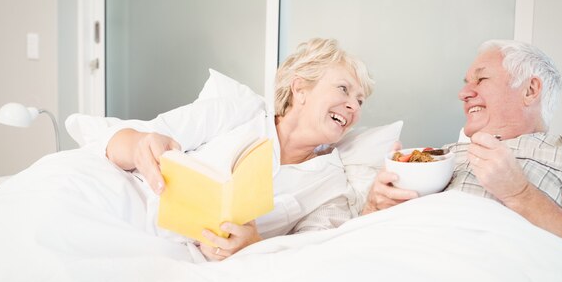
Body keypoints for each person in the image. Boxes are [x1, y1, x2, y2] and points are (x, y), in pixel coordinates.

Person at [105, 38, 374, 261]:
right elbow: (114, 144)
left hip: (195, 271)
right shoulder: (241, 113)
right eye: (343, 89)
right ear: (300, 89)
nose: (354, 106)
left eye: (360, 101)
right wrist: (140, 145)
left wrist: (254, 246)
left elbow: (310, 258)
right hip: (125, 222)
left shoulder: (333, 186)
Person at [363, 39, 562, 259]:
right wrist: (374, 207)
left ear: (530, 90)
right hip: (403, 253)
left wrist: (521, 194)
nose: (463, 94)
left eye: (482, 79)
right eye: (467, 83)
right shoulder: (441, 155)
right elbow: (363, 236)